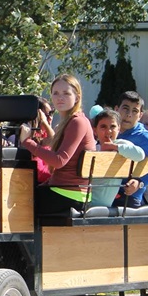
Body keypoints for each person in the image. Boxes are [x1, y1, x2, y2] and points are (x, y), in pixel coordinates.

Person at [18, 74, 96, 214]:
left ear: (77, 97)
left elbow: (59, 160)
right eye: (56, 93)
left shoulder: (77, 122)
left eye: (66, 93)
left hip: (68, 194)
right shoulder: (69, 121)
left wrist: (27, 142)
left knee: (7, 204)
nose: (60, 97)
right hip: (65, 191)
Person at [112, 91, 148, 208]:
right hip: (106, 193)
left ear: (140, 116)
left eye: (135, 111)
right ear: (116, 109)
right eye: (125, 108)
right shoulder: (111, 128)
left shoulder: (143, 136)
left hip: (128, 198)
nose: (129, 114)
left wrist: (140, 182)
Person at [90, 110, 146, 207]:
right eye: (103, 127)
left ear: (119, 128)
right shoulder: (92, 148)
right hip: (84, 200)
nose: (108, 131)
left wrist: (114, 147)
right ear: (95, 130)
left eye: (113, 126)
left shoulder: (120, 144)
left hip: (101, 206)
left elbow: (140, 155)